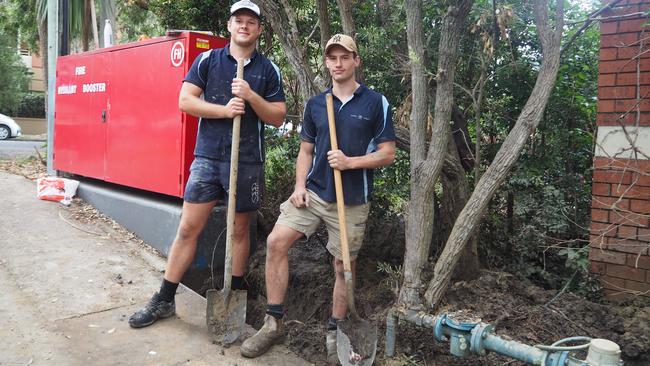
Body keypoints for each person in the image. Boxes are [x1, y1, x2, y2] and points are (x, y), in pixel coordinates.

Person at [128, 0, 286, 329]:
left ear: (258, 29)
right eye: (238, 20)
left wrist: (251, 96)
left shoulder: (267, 70)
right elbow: (185, 101)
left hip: (247, 161)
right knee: (188, 228)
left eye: (251, 22)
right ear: (229, 26)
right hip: (208, 159)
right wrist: (225, 110)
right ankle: (164, 298)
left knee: (241, 230)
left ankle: (236, 289)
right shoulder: (207, 61)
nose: (244, 26)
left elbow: (277, 116)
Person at [240, 34, 396, 363]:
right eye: (332, 58)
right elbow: (306, 151)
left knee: (343, 267)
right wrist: (299, 185)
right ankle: (273, 323)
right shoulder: (316, 104)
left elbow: (387, 154)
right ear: (326, 63)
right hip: (313, 194)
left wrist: (351, 162)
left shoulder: (375, 103)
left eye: (345, 57)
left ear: (356, 61)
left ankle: (335, 329)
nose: (338, 64)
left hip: (352, 200)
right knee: (275, 242)